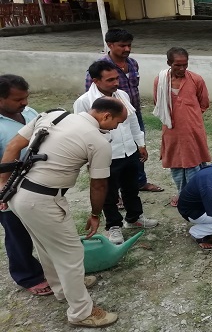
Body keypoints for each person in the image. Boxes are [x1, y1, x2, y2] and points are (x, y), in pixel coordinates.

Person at [0, 97, 126, 327]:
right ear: (106, 116)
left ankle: (61, 287)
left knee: (45, 246)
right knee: (71, 255)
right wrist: (95, 215)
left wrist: (2, 186)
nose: (116, 128)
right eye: (117, 122)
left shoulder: (53, 114)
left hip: (19, 193)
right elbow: (98, 185)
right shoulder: (97, 141)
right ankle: (81, 312)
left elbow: (12, 147)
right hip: (42, 200)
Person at [75, 61, 159, 245]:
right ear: (96, 81)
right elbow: (81, 131)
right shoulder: (84, 102)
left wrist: (140, 143)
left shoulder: (122, 95)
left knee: (131, 188)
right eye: (110, 80)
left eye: (116, 78)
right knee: (109, 193)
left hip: (129, 150)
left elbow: (133, 120)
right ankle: (113, 226)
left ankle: (134, 218)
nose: (116, 83)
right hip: (107, 155)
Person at [85, 28, 163, 193]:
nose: (127, 49)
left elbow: (134, 87)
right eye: (122, 46)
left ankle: (139, 182)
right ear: (110, 45)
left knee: (137, 149)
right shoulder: (100, 68)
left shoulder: (132, 63)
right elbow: (93, 100)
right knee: (112, 153)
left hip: (132, 113)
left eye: (129, 45)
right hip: (110, 118)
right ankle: (115, 191)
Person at [0, 74, 50, 296]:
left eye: (26, 97)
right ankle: (28, 276)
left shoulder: (29, 113)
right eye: (18, 99)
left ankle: (53, 269)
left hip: (38, 183)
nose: (25, 102)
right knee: (17, 234)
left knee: (44, 229)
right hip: (8, 189)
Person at [153, 47, 211, 207]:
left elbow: (204, 103)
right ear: (169, 63)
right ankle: (182, 194)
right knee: (176, 162)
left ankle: (196, 194)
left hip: (193, 129)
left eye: (185, 64)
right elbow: (158, 104)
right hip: (171, 130)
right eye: (177, 65)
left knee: (195, 161)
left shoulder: (196, 80)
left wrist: (189, 117)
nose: (182, 68)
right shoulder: (160, 81)